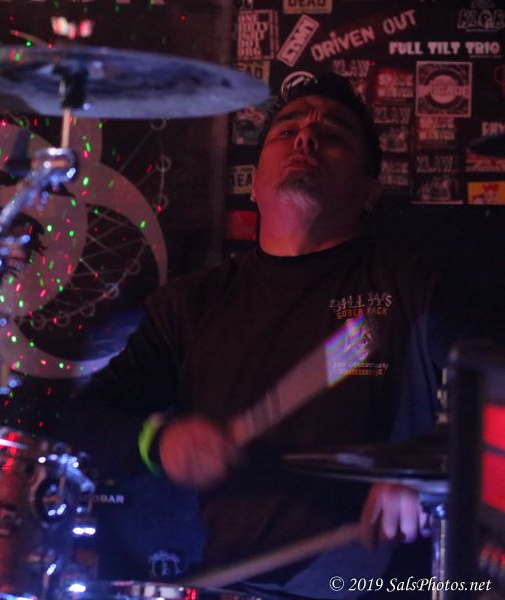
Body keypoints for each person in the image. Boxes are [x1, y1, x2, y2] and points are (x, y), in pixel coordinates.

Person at [64, 73, 480, 598]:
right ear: (254, 182)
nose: (306, 137)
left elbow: (496, 403)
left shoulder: (417, 293)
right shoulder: (190, 305)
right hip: (225, 583)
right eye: (287, 130)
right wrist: (158, 442)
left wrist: (428, 476)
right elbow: (86, 420)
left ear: (368, 190)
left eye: (332, 134)